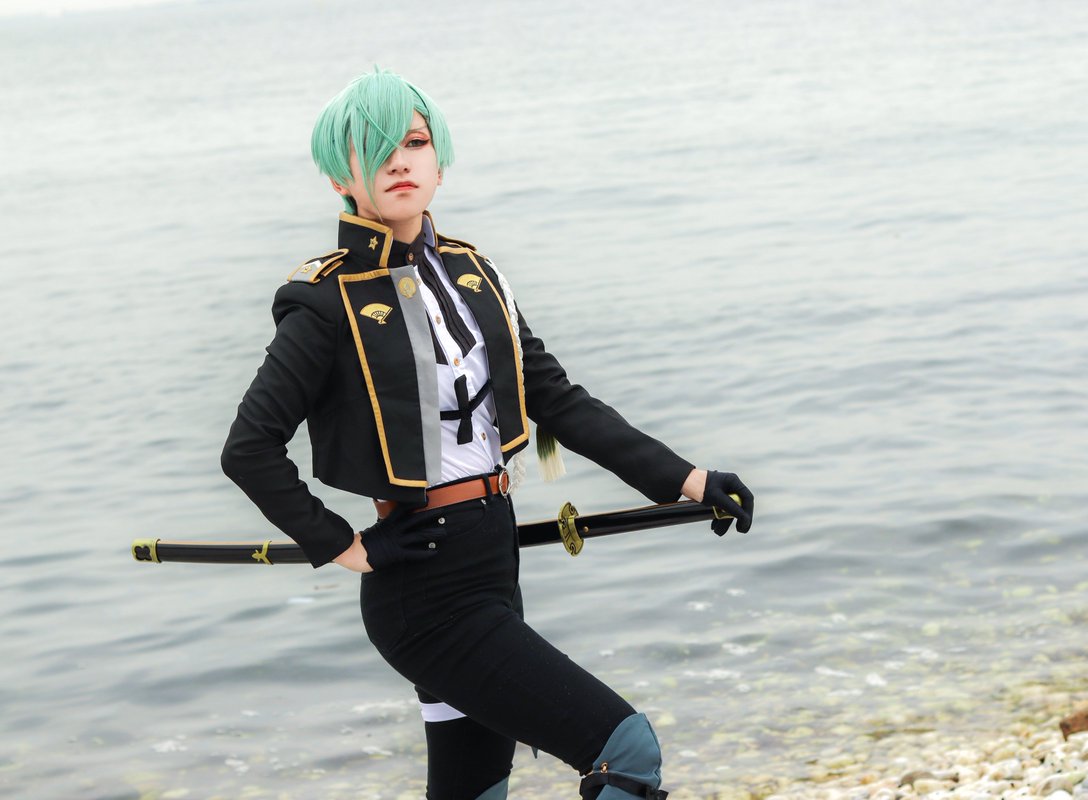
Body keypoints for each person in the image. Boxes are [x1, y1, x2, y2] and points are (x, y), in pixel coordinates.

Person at [221, 68, 754, 800]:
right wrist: (345, 546)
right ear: (341, 178)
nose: (399, 162)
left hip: (493, 563)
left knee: (475, 793)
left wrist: (691, 481)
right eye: (376, 150)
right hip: (423, 589)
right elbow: (248, 448)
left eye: (414, 143)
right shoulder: (324, 301)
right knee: (626, 750)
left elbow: (556, 400)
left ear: (439, 161)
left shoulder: (474, 275)